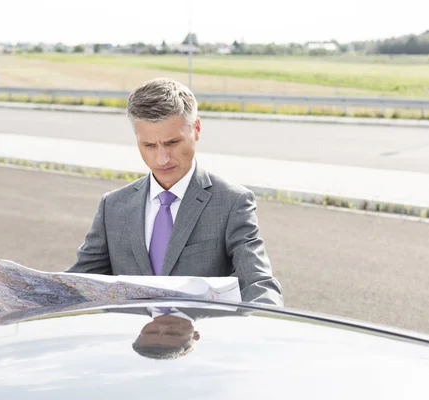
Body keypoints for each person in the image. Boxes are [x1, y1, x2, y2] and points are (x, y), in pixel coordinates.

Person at [66, 77, 283, 306]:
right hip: (131, 340)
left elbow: (259, 284)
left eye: (172, 143)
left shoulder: (232, 203)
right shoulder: (113, 206)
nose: (162, 159)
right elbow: (79, 283)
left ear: (196, 129)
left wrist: (264, 324)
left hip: (200, 340)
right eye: (149, 145)